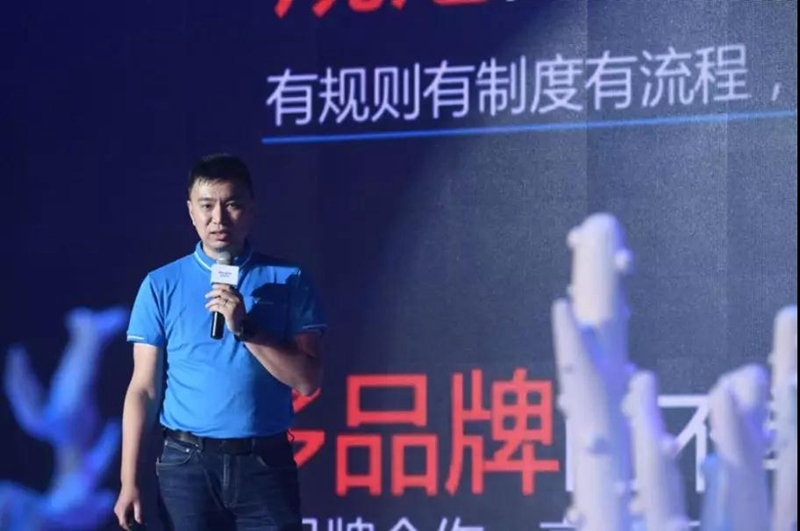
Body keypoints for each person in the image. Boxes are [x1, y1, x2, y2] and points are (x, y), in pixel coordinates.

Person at [113, 154, 326, 531]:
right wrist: (128, 481)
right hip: (186, 466)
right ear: (191, 212)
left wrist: (246, 329)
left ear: (252, 208)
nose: (219, 219)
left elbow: (307, 380)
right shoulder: (161, 284)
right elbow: (143, 389)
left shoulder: (289, 279)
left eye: (232, 204)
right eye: (207, 206)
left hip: (264, 463)